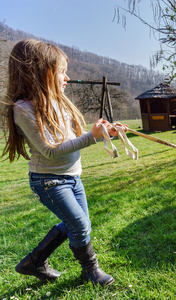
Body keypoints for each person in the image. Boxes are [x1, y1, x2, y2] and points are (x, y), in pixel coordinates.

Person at [1, 39, 125, 286]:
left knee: (80, 223)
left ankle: (34, 262)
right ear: (38, 72)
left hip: (72, 176)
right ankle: (91, 271)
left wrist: (107, 132)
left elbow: (70, 138)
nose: (67, 77)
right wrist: (92, 137)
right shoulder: (23, 109)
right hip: (49, 181)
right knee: (78, 223)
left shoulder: (60, 102)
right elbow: (49, 150)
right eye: (61, 72)